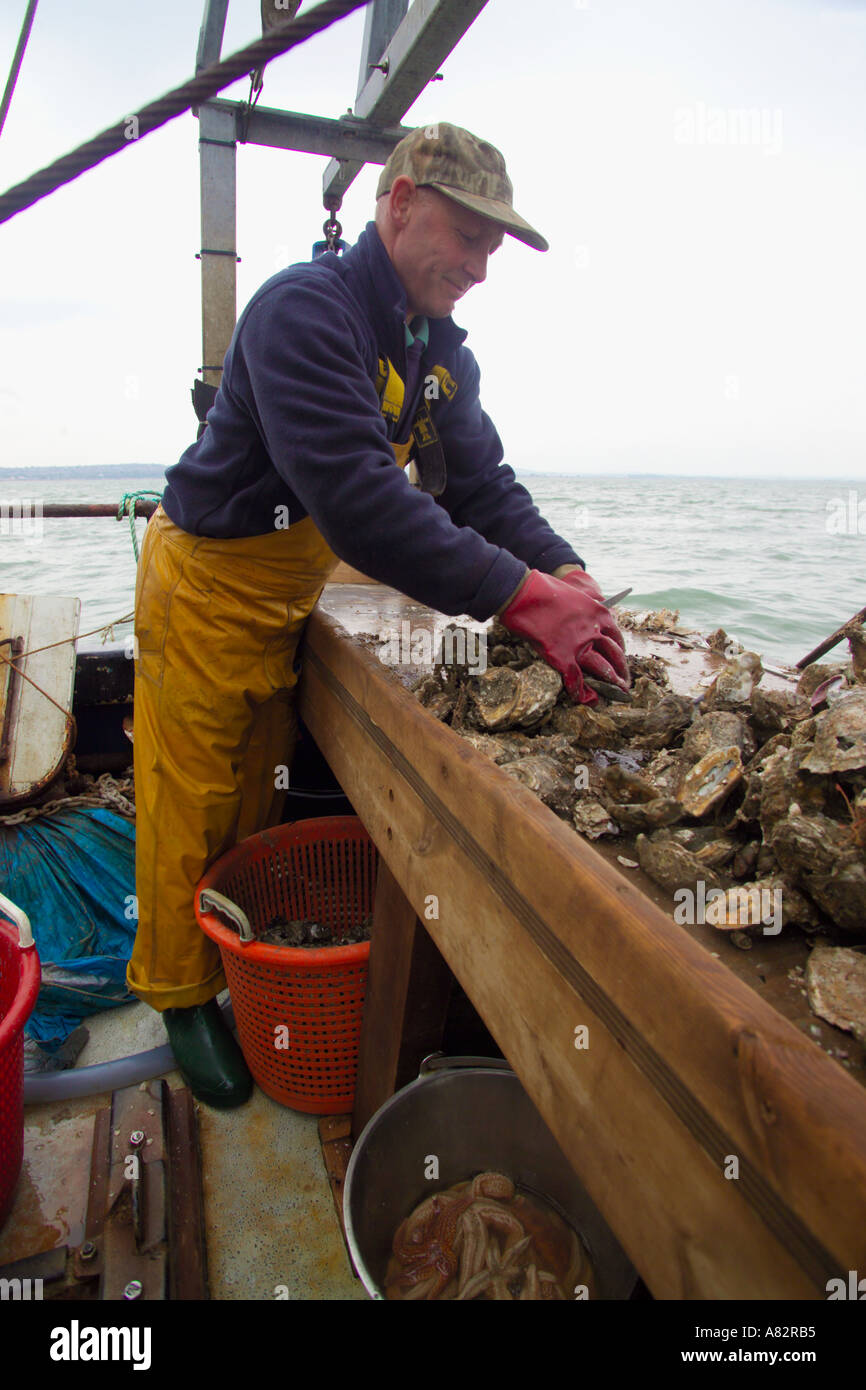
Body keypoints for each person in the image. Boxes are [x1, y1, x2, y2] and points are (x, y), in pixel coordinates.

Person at [127, 122, 630, 1107]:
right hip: (206, 584)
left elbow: (480, 485)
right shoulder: (301, 314)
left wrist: (568, 577)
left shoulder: (434, 350)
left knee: (251, 791)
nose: (480, 267)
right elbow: (362, 500)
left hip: (285, 595)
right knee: (187, 796)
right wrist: (525, 603)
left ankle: (228, 954)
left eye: (494, 249)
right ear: (399, 203)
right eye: (468, 237)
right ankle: (177, 993)